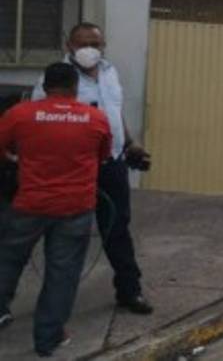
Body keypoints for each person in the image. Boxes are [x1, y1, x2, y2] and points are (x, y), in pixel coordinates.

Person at [32, 23, 153, 315]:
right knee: (67, 233)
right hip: (74, 169)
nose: (90, 49)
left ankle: (129, 290)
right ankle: (55, 304)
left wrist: (129, 142)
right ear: (69, 46)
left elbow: (115, 109)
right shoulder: (56, 79)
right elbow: (41, 121)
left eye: (95, 44)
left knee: (117, 228)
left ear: (103, 46)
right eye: (82, 43)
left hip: (111, 163)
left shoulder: (110, 72)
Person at [0, 63, 112, 356]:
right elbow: (102, 156)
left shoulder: (20, 114)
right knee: (62, 273)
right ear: (75, 87)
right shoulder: (96, 118)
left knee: (8, 262)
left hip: (28, 204)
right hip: (75, 207)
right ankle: (48, 338)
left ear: (45, 85)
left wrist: (16, 159)